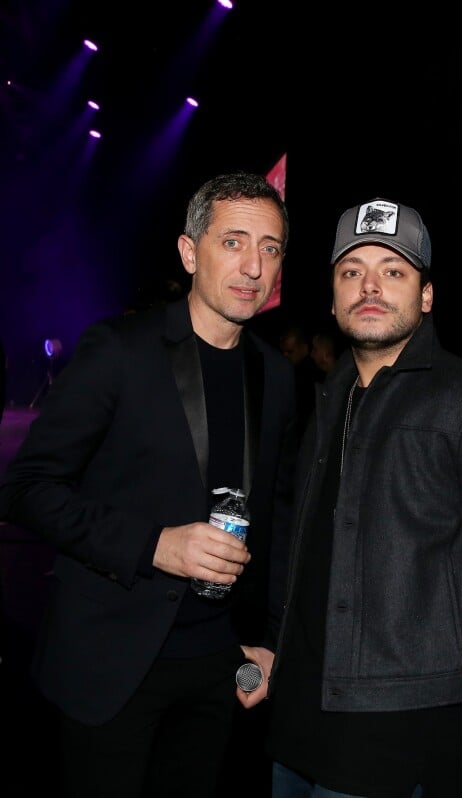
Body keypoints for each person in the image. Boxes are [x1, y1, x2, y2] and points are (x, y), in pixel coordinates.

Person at [0, 171, 297, 798]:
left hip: (220, 666)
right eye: (234, 241)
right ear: (190, 252)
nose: (253, 265)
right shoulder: (120, 350)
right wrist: (153, 545)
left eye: (270, 248)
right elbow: (27, 487)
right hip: (111, 664)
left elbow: (278, 513)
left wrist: (270, 643)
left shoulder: (276, 375)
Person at [265, 196, 462, 798]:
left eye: (393, 272)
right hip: (297, 714)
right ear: (332, 295)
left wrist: (454, 658)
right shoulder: (328, 397)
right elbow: (299, 540)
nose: (369, 286)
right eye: (352, 272)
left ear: (426, 295)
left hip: (396, 730)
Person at [279, 324, 325, 439]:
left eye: (290, 351)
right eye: (283, 352)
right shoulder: (291, 372)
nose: (285, 356)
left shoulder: (307, 374)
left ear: (304, 348)